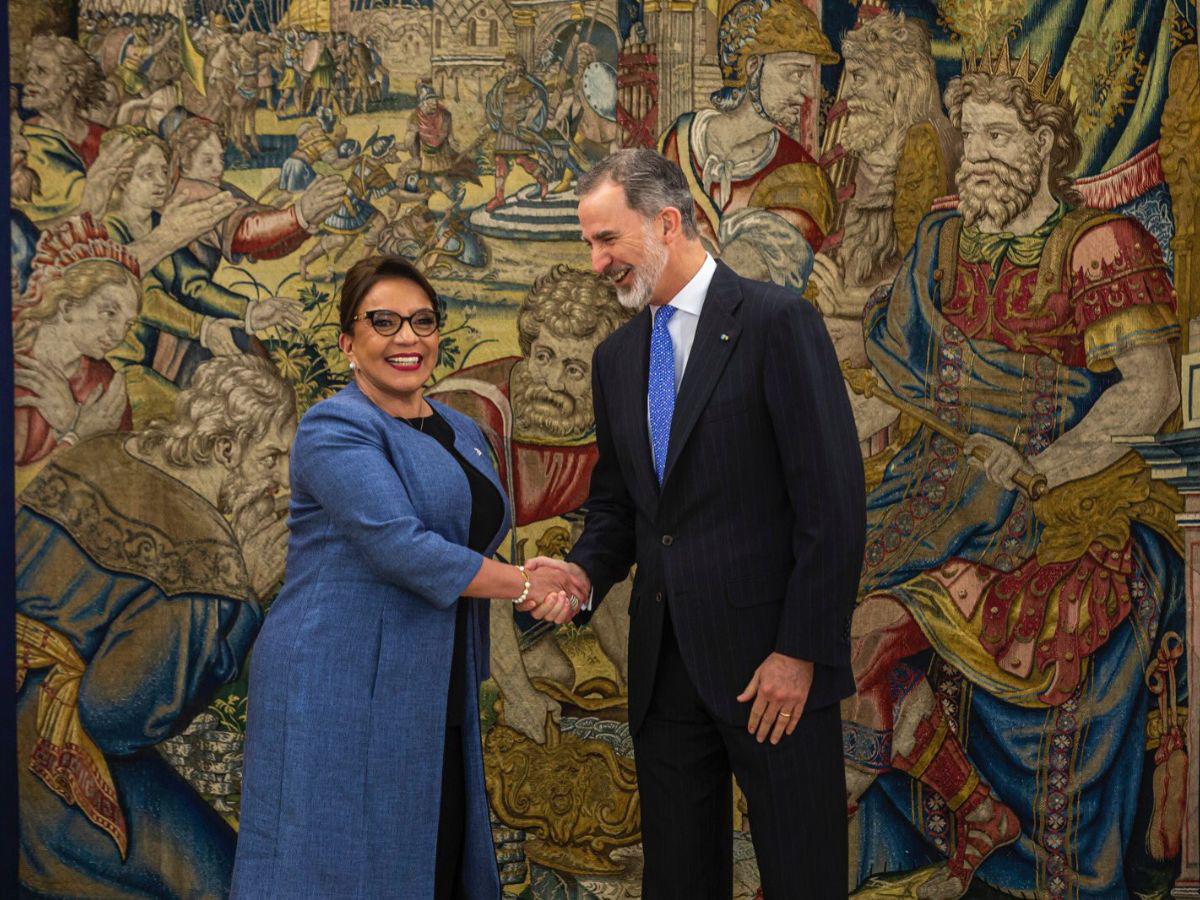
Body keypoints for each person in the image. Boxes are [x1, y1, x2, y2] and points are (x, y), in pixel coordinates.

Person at [838, 46, 1184, 899]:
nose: (978, 153)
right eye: (970, 135)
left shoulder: (1098, 243)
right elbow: (891, 387)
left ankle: (985, 831)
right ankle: (946, 820)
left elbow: (1151, 388)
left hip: (1050, 505)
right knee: (811, 614)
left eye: (1000, 134)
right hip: (934, 488)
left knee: (861, 633)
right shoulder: (943, 240)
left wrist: (1040, 464)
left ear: (1045, 145)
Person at [528, 149, 865, 896]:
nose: (596, 262)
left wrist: (799, 653)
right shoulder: (616, 358)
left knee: (802, 877)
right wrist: (582, 571)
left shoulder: (779, 324)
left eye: (607, 239)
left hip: (775, 674)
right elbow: (620, 507)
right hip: (664, 677)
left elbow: (833, 509)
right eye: (589, 243)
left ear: (668, 222)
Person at [231, 255, 587, 898]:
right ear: (349, 342)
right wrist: (525, 587)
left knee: (433, 857)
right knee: (335, 866)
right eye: (384, 321)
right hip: (337, 678)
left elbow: (467, 536)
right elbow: (401, 546)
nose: (407, 338)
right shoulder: (335, 426)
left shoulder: (465, 430)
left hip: (432, 674)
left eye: (422, 322)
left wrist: (536, 568)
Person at [16, 355, 295, 897]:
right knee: (224, 879)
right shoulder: (204, 555)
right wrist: (248, 596)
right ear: (225, 449)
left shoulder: (100, 452)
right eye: (272, 458)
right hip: (50, 771)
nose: (282, 482)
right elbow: (117, 716)